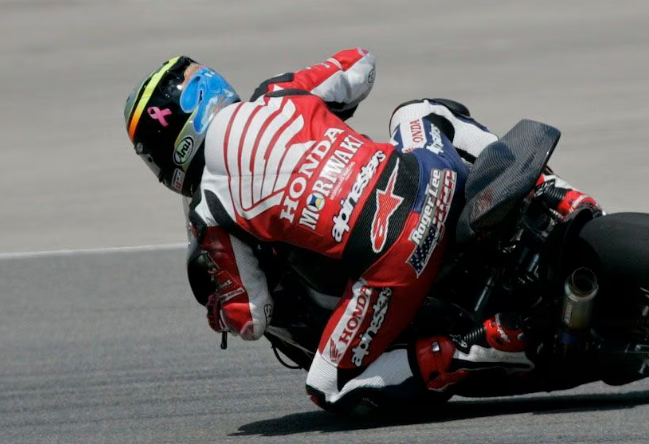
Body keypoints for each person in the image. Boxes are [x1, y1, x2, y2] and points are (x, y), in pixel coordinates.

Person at [123, 49, 600, 413]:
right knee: (419, 110)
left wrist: (221, 312)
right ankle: (550, 191)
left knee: (329, 387)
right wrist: (327, 114)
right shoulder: (279, 93)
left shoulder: (209, 207)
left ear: (170, 145)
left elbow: (253, 317)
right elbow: (360, 65)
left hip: (399, 256)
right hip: (434, 175)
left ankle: (482, 342)